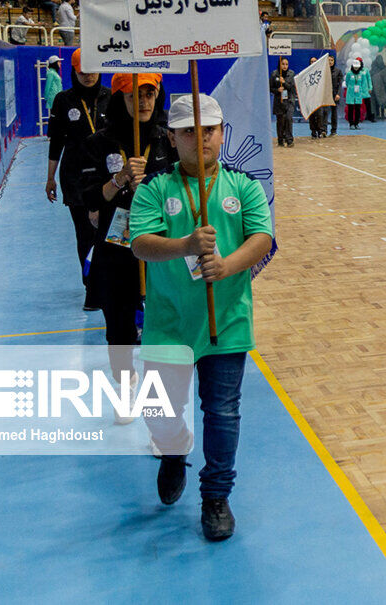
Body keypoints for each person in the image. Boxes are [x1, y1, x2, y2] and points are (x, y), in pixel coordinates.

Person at [130, 93, 274, 542]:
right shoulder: (155, 189)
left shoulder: (243, 186)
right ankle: (173, 452)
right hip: (169, 321)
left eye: (208, 130)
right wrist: (186, 246)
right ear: (173, 139)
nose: (201, 139)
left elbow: (263, 237)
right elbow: (139, 243)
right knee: (160, 409)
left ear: (221, 133)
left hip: (226, 320)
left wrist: (229, 265)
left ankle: (216, 497)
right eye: (189, 131)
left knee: (223, 412)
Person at [77, 73, 175, 393]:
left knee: (161, 331)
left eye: (150, 93)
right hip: (116, 252)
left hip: (159, 252)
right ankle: (124, 384)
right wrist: (119, 180)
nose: (144, 101)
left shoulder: (167, 141)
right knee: (118, 329)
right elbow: (90, 198)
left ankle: (158, 403)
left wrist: (151, 186)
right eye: (135, 95)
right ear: (121, 98)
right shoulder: (98, 144)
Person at [45, 48, 109, 310]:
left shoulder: (111, 97)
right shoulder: (63, 100)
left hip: (107, 176)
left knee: (110, 233)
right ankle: (91, 289)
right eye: (82, 71)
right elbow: (56, 142)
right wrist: (50, 178)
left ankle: (111, 284)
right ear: (73, 71)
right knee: (85, 235)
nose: (88, 75)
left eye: (92, 69)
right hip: (75, 178)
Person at [269, 56, 296, 147]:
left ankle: (289, 140)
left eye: (286, 64)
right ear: (279, 64)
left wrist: (284, 82)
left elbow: (291, 87)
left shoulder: (291, 74)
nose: (285, 66)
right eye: (283, 64)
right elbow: (270, 88)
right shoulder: (274, 74)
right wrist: (277, 90)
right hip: (279, 101)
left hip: (289, 100)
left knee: (288, 119)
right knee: (280, 121)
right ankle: (280, 139)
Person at [344, 59, 364, 129]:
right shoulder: (349, 73)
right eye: (355, 66)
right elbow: (347, 82)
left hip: (358, 93)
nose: (356, 68)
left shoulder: (361, 74)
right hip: (350, 93)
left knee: (358, 108)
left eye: (357, 66)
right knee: (351, 109)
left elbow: (362, 83)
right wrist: (351, 88)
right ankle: (351, 123)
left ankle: (356, 123)